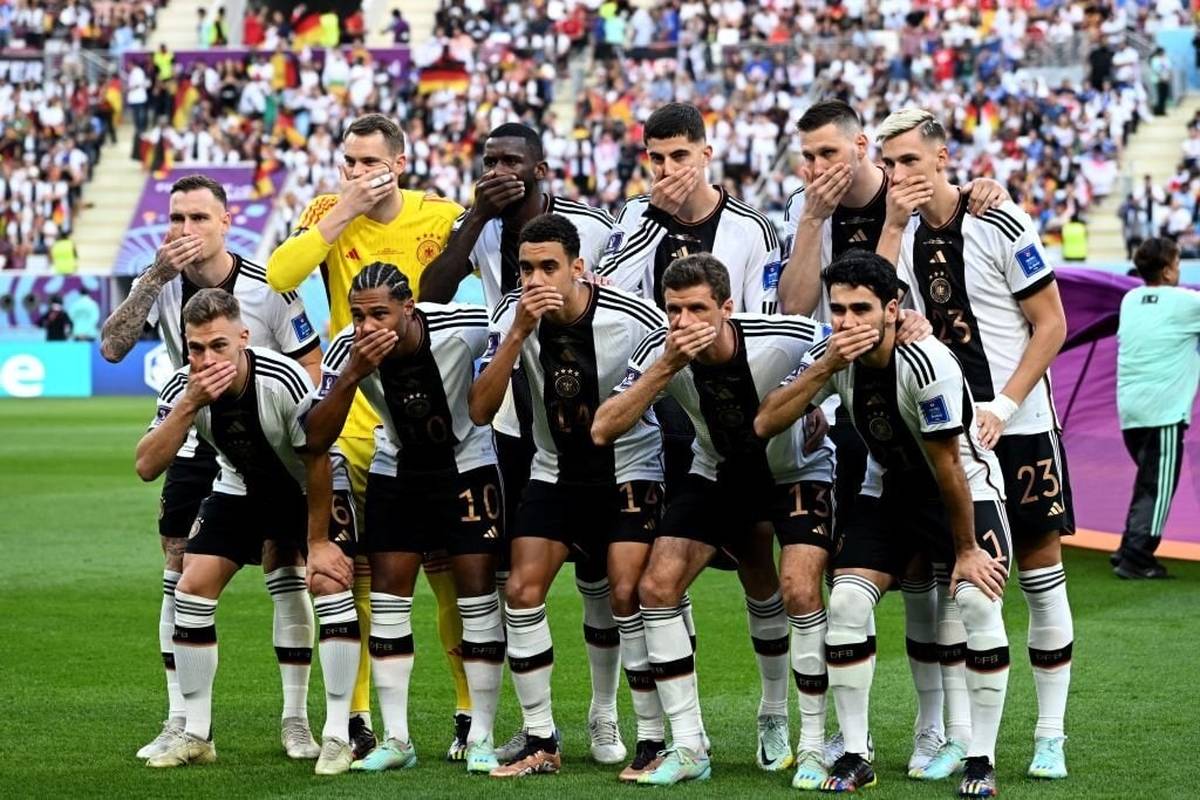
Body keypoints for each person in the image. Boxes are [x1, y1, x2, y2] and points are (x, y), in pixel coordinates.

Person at [778, 99, 1004, 773]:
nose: (817, 167)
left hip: (929, 405)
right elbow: (795, 306)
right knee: (872, 585)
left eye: (828, 152)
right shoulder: (804, 209)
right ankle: (868, 743)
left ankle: (950, 734)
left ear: (861, 149)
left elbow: (915, 271)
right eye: (807, 156)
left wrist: (976, 189)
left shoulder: (904, 192)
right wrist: (812, 220)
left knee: (945, 585)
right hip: (859, 418)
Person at [755, 251, 1012, 798]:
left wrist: (967, 550)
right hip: (889, 488)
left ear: (892, 310)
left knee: (976, 600)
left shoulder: (927, 364)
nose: (847, 321)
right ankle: (854, 754)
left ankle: (981, 759)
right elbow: (766, 420)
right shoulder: (835, 355)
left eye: (861, 309)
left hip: (963, 488)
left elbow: (948, 464)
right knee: (848, 602)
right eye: (838, 309)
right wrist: (823, 368)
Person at [266, 113, 473, 761]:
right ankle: (357, 717)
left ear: (399, 164)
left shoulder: (440, 215)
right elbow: (280, 275)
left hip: (431, 422)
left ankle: (469, 712)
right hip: (354, 420)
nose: (356, 173)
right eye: (348, 162)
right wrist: (342, 212)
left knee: (447, 572)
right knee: (355, 574)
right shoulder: (327, 212)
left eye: (368, 162)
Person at [596, 103, 796, 769]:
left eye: (680, 156)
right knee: (660, 576)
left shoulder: (751, 228)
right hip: (658, 415)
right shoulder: (634, 217)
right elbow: (610, 296)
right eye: (657, 158)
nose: (669, 170)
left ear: (706, 154)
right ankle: (677, 733)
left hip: (735, 425)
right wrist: (651, 220)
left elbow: (761, 327)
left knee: (758, 562)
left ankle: (774, 715)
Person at [875, 108, 1073, 782]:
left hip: (1019, 425)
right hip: (949, 434)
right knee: (957, 580)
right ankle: (959, 738)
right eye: (889, 163)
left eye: (909, 160)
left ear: (941, 157)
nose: (899, 174)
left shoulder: (999, 218)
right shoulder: (897, 231)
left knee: (1041, 574)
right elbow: (876, 314)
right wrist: (892, 227)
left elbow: (1052, 324)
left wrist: (1005, 406)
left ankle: (1050, 735)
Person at [419, 121, 624, 766]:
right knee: (516, 576)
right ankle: (531, 726)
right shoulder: (477, 227)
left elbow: (618, 310)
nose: (497, 171)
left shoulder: (591, 226)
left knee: (601, 576)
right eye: (489, 161)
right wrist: (478, 216)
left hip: (594, 422)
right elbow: (431, 292)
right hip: (515, 421)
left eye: (511, 160)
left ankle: (604, 713)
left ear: (540, 169)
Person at [101, 174, 325, 763]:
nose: (186, 230)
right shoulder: (161, 284)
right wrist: (153, 278)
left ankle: (296, 720)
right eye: (176, 218)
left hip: (268, 439)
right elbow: (113, 348)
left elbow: (311, 365)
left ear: (226, 223)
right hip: (196, 434)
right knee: (179, 568)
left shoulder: (268, 287)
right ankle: (182, 719)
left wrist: (280, 425)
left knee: (285, 564)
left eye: (199, 218)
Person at [591, 253, 834, 788]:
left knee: (797, 589)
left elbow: (849, 345)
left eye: (697, 309)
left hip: (794, 470)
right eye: (673, 310)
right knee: (655, 588)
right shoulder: (661, 350)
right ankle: (689, 745)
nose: (684, 322)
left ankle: (802, 737)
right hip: (718, 470)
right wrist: (665, 367)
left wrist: (824, 404)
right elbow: (603, 428)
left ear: (727, 307)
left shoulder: (785, 337)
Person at [468, 214, 666, 780]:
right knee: (522, 590)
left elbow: (675, 380)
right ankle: (540, 737)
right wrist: (517, 334)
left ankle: (639, 732)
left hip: (628, 469)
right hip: (553, 470)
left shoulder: (633, 318)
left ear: (578, 267)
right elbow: (480, 409)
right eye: (526, 268)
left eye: (548, 267)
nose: (535, 279)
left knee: (624, 593)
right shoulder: (511, 316)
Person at [133, 289, 353, 769]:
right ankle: (197, 733)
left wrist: (318, 542)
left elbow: (317, 457)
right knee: (191, 587)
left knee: (323, 580)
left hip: (306, 486)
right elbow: (147, 465)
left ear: (243, 338)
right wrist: (190, 403)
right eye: (196, 348)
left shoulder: (282, 378)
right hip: (240, 484)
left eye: (219, 345)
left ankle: (320, 729)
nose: (207, 359)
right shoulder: (181, 387)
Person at [304, 263, 503, 774]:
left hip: (467, 465)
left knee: (477, 595)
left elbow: (508, 347)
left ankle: (482, 735)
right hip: (397, 467)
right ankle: (396, 739)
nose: (367, 326)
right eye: (358, 316)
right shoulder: (346, 348)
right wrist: (352, 373)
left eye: (379, 314)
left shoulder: (464, 327)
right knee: (389, 598)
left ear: (409, 308)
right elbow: (316, 437)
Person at [1114, 237, 1200, 579]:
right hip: (1163, 412)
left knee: (1148, 482)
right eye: (1177, 264)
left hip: (1130, 413)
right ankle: (1137, 557)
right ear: (1166, 271)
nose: (1179, 270)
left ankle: (1127, 547)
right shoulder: (1187, 302)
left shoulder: (1130, 299)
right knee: (1158, 487)